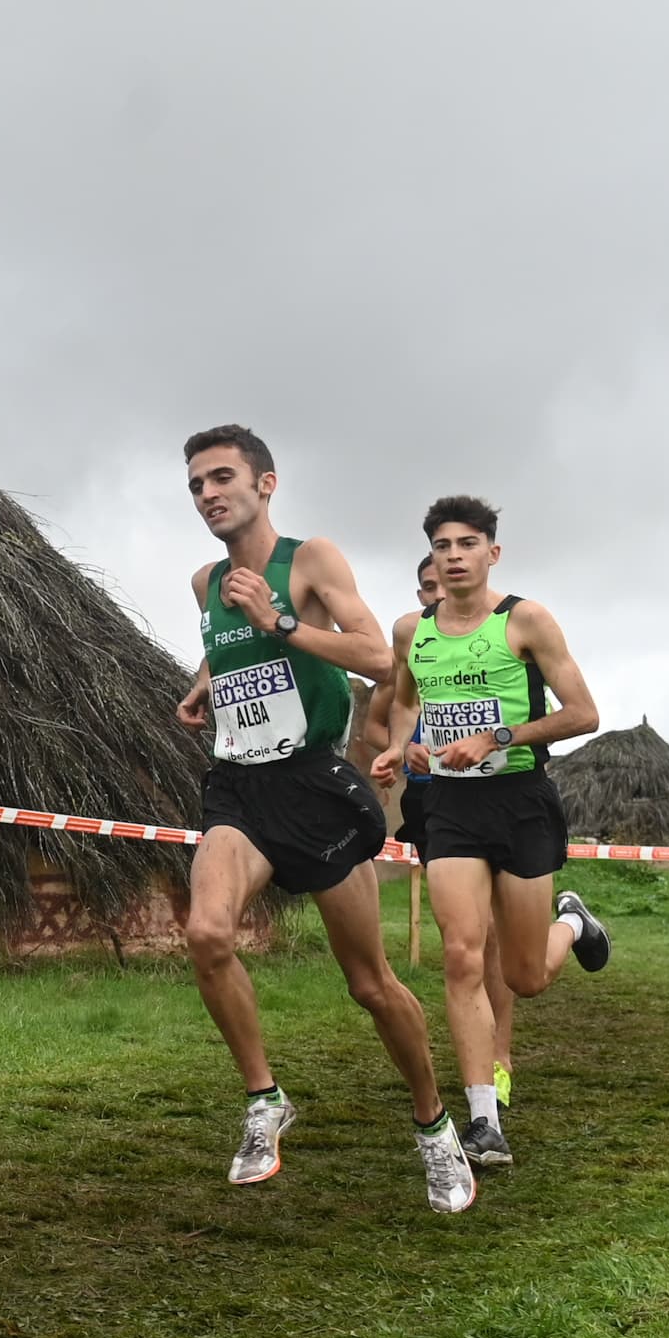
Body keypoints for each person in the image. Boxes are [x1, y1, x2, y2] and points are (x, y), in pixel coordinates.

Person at [171, 429, 462, 1211]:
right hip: (239, 787)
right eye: (196, 484)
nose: (207, 494)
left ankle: (434, 1125)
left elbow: (378, 657)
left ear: (266, 483)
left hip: (312, 784)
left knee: (369, 982)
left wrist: (280, 622)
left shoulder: (310, 561)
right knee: (206, 934)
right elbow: (227, 648)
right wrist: (204, 684)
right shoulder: (205, 581)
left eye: (222, 477)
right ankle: (264, 1099)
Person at [373, 495, 613, 1173]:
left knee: (526, 975)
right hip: (451, 806)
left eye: (467, 543)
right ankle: (484, 1122)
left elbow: (584, 713)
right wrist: (403, 747)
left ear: (491, 554)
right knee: (462, 955)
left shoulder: (525, 620)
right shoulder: (409, 630)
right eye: (442, 544)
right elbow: (406, 700)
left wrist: (496, 736)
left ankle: (573, 922)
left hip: (521, 801)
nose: (454, 556)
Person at [365, 552, 522, 1109]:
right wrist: (397, 747)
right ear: (420, 594)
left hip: (499, 795)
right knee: (465, 940)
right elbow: (381, 714)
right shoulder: (411, 648)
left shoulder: (493, 639)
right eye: (427, 588)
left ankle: (500, 1052)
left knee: (501, 939)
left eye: (443, 586)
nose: (437, 596)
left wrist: (496, 739)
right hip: (435, 802)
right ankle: (483, 1067)